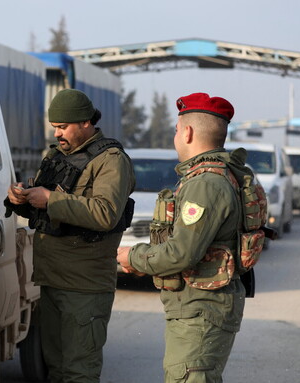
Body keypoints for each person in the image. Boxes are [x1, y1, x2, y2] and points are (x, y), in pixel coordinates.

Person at [117, 93, 256, 382]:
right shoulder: (217, 176)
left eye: (177, 129)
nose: (176, 136)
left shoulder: (205, 184)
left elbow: (181, 253)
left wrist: (132, 256)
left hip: (201, 311)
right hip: (200, 310)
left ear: (188, 132)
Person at [5, 89, 135, 383]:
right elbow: (45, 213)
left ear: (86, 122)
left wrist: (50, 199)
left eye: (63, 127)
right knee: (56, 369)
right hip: (52, 279)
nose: (58, 133)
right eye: (55, 127)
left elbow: (105, 213)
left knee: (79, 372)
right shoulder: (55, 156)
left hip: (85, 286)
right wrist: (21, 199)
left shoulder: (111, 160)